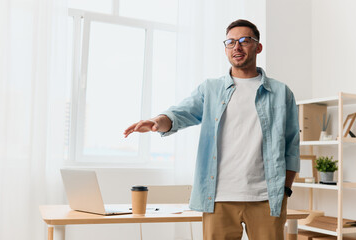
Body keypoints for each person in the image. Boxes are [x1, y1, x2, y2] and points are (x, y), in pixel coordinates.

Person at [124, 19, 300, 240]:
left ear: (258, 47)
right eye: (231, 42)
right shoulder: (211, 89)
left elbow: (292, 145)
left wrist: (284, 190)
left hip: (267, 197)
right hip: (219, 197)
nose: (237, 47)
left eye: (245, 41)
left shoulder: (281, 92)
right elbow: (180, 113)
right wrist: (159, 121)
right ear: (226, 49)